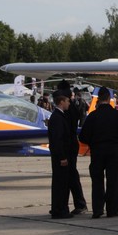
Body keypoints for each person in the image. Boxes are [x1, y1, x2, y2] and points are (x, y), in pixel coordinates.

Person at [79, 87, 118, 218]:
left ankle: (98, 209)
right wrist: (115, 141)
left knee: (97, 181)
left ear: (99, 99)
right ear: (108, 99)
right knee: (114, 180)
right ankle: (112, 209)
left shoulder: (93, 116)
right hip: (113, 150)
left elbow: (82, 136)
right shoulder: (117, 115)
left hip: (97, 151)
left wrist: (93, 142)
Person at [47, 89, 81, 219]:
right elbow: (58, 139)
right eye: (67, 101)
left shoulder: (58, 116)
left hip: (60, 156)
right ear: (61, 102)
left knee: (61, 183)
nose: (69, 103)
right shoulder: (58, 118)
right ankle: (60, 209)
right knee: (61, 184)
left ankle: (60, 208)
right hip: (61, 157)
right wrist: (62, 157)